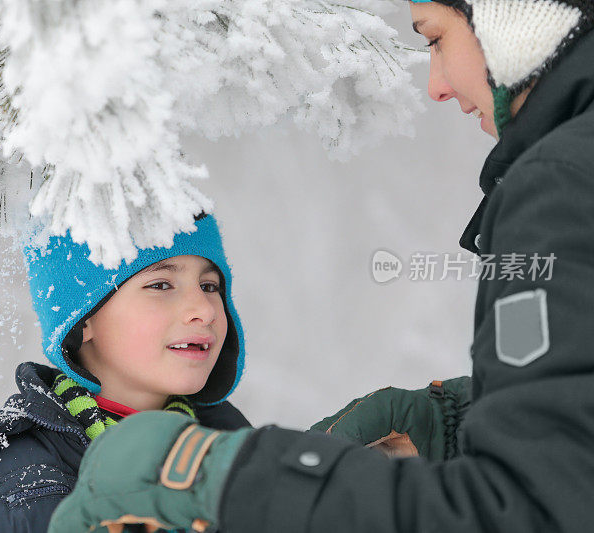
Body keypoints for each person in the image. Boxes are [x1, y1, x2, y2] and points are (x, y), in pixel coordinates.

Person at [47, 0, 594, 531]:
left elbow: (536, 507)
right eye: (160, 283)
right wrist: (456, 420)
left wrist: (230, 479)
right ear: (82, 313)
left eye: (434, 38)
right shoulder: (8, 473)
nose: (437, 85)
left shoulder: (561, 183)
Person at [0, 213, 250, 532]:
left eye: (210, 286)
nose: (203, 309)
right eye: (160, 285)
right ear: (84, 319)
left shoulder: (242, 460)